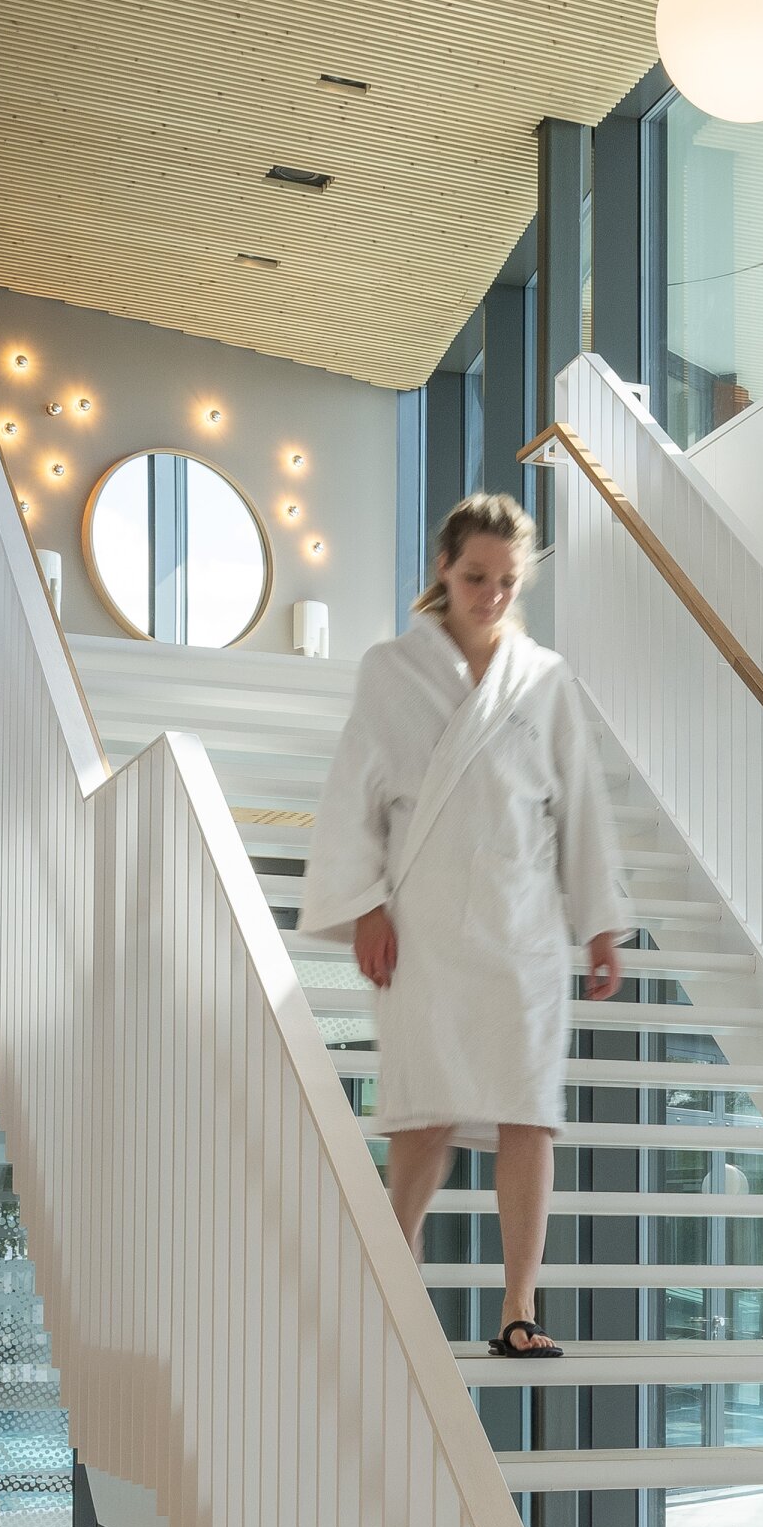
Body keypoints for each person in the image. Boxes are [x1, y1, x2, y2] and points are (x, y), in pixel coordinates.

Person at [300, 491, 629, 1362]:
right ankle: (392, 1285)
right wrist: (365, 907)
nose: (491, 595)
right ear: (444, 568)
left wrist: (599, 924)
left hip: (524, 925)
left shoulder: (544, 678)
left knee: (530, 1114)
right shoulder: (390, 670)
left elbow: (582, 804)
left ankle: (519, 1308)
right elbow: (353, 797)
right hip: (425, 925)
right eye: (476, 576)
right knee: (423, 1114)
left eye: (507, 581)